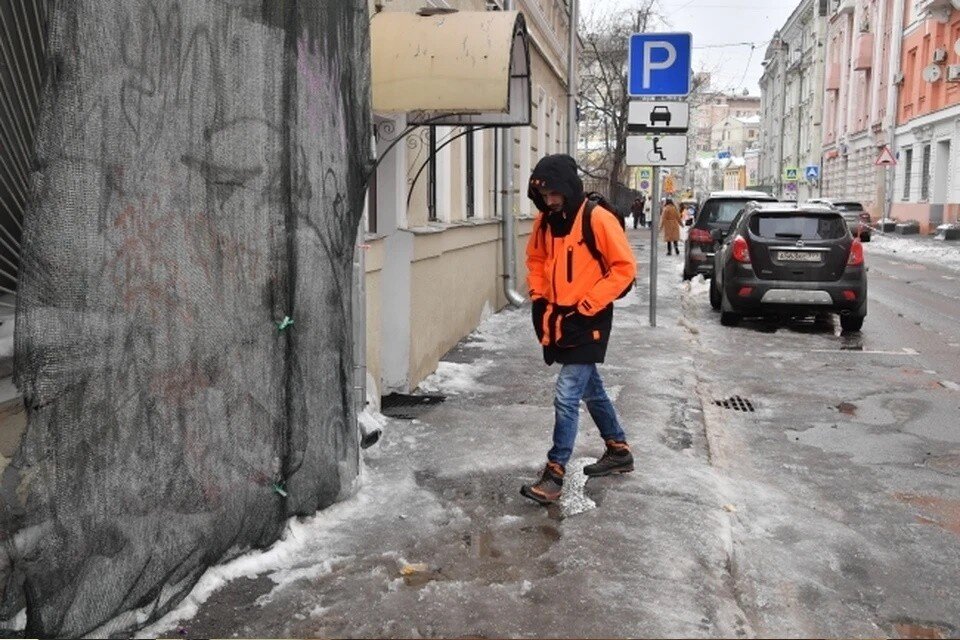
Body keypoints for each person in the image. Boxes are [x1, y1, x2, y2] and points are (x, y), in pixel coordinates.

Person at [521, 154, 638, 506]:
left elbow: (624, 268)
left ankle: (555, 472)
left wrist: (588, 304)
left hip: (590, 319)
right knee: (591, 389)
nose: (549, 200)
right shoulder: (545, 222)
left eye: (555, 194)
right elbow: (536, 260)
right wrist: (540, 296)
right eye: (544, 195)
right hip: (559, 319)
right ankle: (618, 450)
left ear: (569, 189)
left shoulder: (597, 219)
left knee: (567, 393)